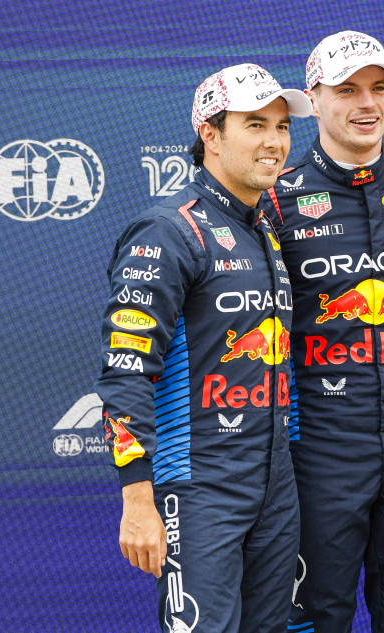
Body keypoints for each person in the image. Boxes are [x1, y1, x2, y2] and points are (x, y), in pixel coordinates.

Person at [95, 63, 312, 633]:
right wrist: (136, 497)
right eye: (255, 125)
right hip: (198, 485)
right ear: (210, 135)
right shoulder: (168, 230)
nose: (275, 142)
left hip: (274, 484)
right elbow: (125, 372)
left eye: (283, 126)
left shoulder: (264, 227)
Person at [260, 30, 384, 633]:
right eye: (347, 90)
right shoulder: (275, 197)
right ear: (314, 100)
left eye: (378, 88)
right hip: (321, 441)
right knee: (315, 616)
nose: (367, 103)